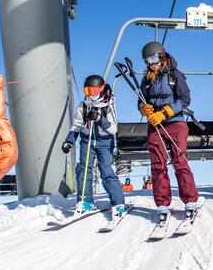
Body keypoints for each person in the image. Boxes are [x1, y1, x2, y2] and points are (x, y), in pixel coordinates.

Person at [138, 41, 199, 223]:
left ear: (162, 55)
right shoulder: (146, 79)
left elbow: (186, 99)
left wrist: (165, 112)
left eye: (154, 58)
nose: (152, 63)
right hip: (155, 125)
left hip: (175, 123)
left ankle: (190, 201)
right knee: (158, 165)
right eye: (148, 60)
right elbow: (141, 101)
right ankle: (162, 204)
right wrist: (144, 109)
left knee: (180, 161)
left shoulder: (175, 75)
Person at [61, 75, 126, 218]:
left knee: (106, 171)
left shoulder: (109, 105)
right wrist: (69, 141)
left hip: (105, 142)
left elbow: (113, 128)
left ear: (101, 89)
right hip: (87, 140)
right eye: (88, 90)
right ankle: (85, 201)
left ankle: (118, 203)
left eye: (94, 90)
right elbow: (77, 126)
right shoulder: (83, 105)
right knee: (83, 168)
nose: (91, 94)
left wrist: (99, 119)